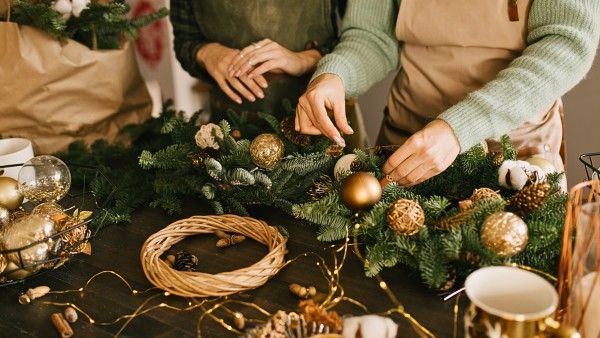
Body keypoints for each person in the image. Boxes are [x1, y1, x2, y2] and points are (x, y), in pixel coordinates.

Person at [296, 0, 600, 187]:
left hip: (515, 160)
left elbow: (565, 44)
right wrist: (335, 75)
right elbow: (372, 36)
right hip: (404, 148)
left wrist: (459, 128)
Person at [170, 0, 345, 120]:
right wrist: (206, 52)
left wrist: (306, 59)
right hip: (231, 136)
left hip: (324, 127)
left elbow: (363, 38)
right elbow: (185, 39)